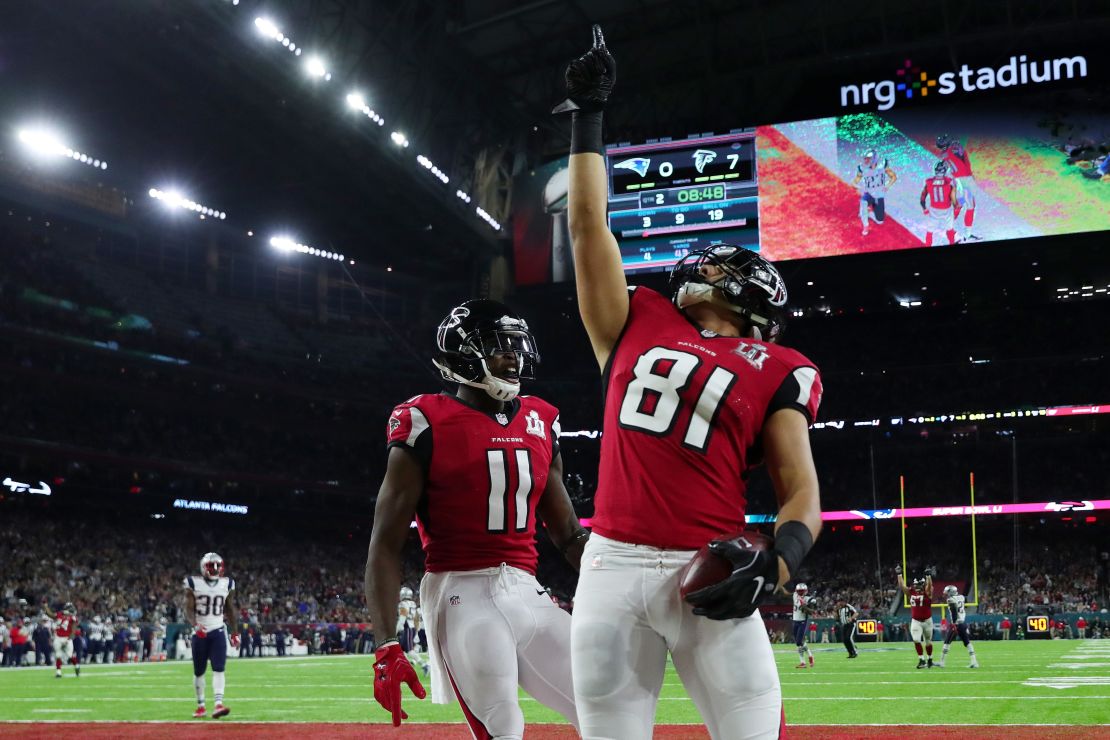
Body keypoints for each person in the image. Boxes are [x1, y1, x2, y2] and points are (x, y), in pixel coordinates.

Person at [559, 26, 823, 739]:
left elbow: (800, 488)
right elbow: (588, 227)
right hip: (609, 564)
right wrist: (589, 116)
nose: (698, 269)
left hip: (710, 564)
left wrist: (778, 563)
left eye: (714, 267)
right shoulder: (637, 317)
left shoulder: (780, 365)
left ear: (748, 294)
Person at [365, 299, 586, 736]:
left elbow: (569, 534)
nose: (514, 357)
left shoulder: (541, 419)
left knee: (607, 706)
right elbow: (386, 544)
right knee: (503, 724)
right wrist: (386, 644)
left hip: (527, 589)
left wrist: (620, 587)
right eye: (501, 346)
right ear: (463, 354)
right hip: (461, 592)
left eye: (518, 347)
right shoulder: (425, 420)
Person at [184, 552, 239, 719]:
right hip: (200, 632)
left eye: (217, 566)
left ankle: (218, 704)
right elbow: (188, 608)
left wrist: (235, 632)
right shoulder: (193, 583)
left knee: (219, 668)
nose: (215, 569)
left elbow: (229, 608)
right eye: (211, 566)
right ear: (203, 567)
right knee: (199, 671)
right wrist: (195, 625)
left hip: (218, 630)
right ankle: (201, 706)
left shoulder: (227, 583)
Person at [935, 134, 981, 240]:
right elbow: (961, 153)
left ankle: (947, 227)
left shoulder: (944, 154)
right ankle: (967, 234)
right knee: (970, 207)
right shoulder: (953, 150)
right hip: (965, 179)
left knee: (960, 204)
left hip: (960, 179)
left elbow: (944, 166)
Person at [851, 149, 898, 236]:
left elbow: (894, 177)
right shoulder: (862, 168)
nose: (866, 160)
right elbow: (854, 182)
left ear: (874, 159)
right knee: (863, 204)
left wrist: (887, 185)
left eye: (868, 158)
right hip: (868, 193)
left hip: (879, 195)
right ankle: (866, 225)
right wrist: (859, 187)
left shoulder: (882, 166)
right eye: (865, 158)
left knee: (880, 221)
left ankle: (871, 213)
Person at [896, 565, 935, 668]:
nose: (917, 587)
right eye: (916, 585)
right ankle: (921, 659)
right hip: (916, 621)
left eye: (919, 585)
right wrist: (899, 574)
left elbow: (930, 586)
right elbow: (901, 586)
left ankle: (930, 658)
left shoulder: (928, 592)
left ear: (923, 584)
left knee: (928, 642)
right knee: (916, 639)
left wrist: (928, 577)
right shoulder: (911, 592)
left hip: (927, 621)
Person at [919, 161, 963, 247]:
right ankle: (951, 243)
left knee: (929, 231)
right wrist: (956, 207)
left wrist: (924, 208)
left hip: (934, 210)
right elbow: (953, 197)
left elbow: (922, 197)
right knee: (950, 229)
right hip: (946, 210)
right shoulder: (949, 182)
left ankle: (928, 246)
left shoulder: (929, 181)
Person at [938, 585, 979, 668]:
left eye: (947, 592)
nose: (945, 594)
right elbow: (965, 604)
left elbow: (954, 613)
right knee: (967, 642)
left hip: (956, 624)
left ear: (951, 592)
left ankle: (942, 662)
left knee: (947, 642)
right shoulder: (962, 597)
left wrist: (953, 624)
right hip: (963, 623)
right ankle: (974, 662)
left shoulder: (950, 599)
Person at [52, 603, 80, 678]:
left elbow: (73, 631)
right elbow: (51, 615)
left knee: (69, 655)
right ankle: (58, 672)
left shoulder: (73, 618)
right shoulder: (59, 615)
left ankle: (77, 666)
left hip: (67, 638)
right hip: (58, 637)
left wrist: (68, 640)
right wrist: (45, 606)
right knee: (58, 655)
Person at [792, 583, 815, 669]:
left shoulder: (809, 599)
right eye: (799, 591)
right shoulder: (795, 595)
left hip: (802, 621)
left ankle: (807, 658)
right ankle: (805, 660)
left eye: (802, 591)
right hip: (795, 621)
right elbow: (789, 594)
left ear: (805, 591)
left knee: (798, 641)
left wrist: (804, 606)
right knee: (799, 643)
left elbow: (811, 611)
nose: (800, 593)